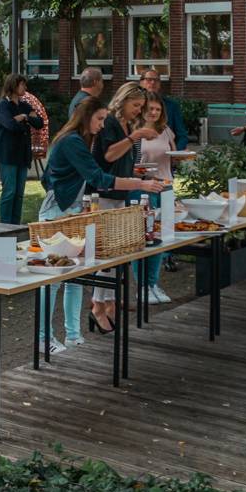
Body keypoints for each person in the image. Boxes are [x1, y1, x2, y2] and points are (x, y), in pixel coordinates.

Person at [37, 99, 165, 352]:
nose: (103, 124)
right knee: (52, 281)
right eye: (99, 119)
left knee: (76, 279)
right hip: (57, 215)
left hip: (71, 212)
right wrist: (140, 184)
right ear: (86, 118)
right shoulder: (73, 141)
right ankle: (43, 338)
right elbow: (98, 178)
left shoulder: (79, 140)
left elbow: (49, 178)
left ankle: (73, 334)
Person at [89, 81, 159, 331]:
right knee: (106, 252)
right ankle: (98, 303)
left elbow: (124, 158)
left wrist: (138, 174)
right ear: (123, 100)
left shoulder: (128, 125)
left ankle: (108, 301)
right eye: (136, 105)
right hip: (104, 193)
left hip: (120, 192)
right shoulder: (109, 123)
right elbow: (108, 156)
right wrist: (135, 136)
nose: (138, 111)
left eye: (141, 107)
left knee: (117, 252)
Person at [137, 93, 176, 305]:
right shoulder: (137, 134)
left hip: (166, 186)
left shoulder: (165, 131)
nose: (154, 113)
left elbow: (174, 154)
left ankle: (153, 283)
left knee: (163, 237)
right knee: (145, 237)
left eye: (157, 110)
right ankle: (142, 286)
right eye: (150, 109)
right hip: (146, 186)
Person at [0, 74, 43, 225]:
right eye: (22, 85)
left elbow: (39, 123)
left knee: (19, 194)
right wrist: (23, 119)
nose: (25, 88)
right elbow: (10, 125)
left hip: (23, 155)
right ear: (13, 86)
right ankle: (5, 225)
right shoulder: (2, 106)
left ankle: (15, 224)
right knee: (9, 192)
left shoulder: (25, 106)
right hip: (7, 155)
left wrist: (24, 117)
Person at [138, 68, 189, 150]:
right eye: (149, 79)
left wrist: (176, 153)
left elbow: (182, 135)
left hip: (166, 152)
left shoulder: (172, 105)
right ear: (141, 83)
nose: (153, 82)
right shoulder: (135, 104)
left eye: (156, 80)